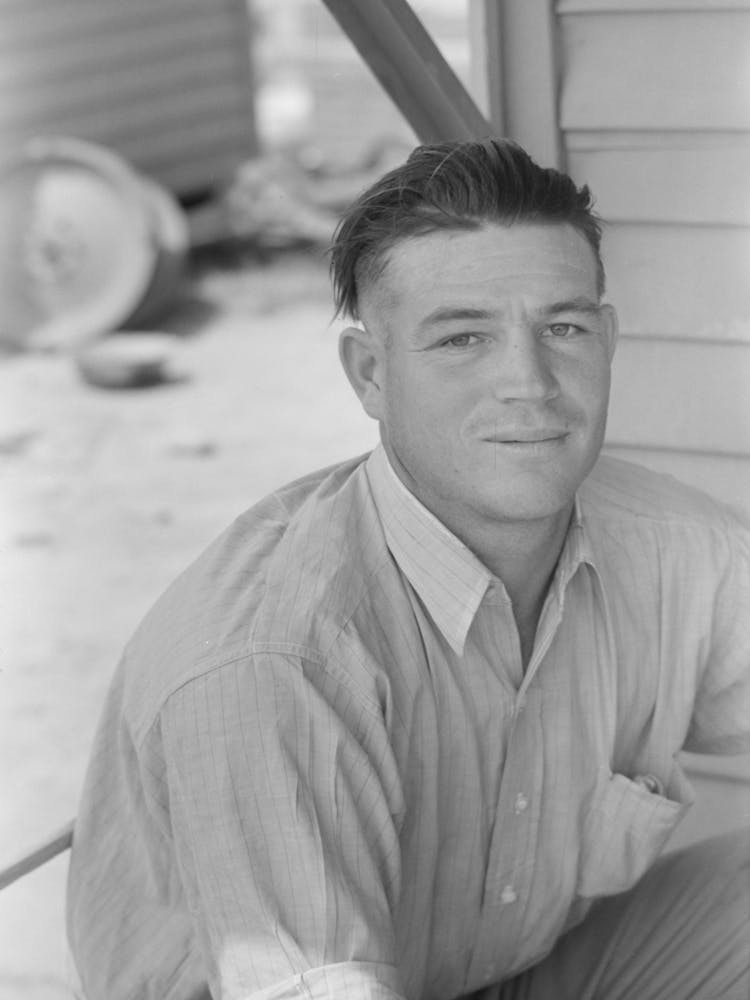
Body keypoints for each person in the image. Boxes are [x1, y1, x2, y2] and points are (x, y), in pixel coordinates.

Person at [66, 138, 750, 1000]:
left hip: (514, 971)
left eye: (563, 328)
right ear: (371, 375)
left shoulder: (675, 550)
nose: (529, 382)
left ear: (608, 341)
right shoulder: (275, 659)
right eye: (463, 338)